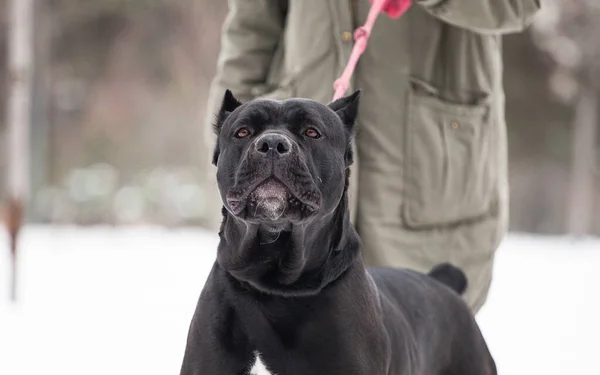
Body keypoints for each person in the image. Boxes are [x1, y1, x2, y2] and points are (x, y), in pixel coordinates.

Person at [202, 0, 540, 313]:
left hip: (431, 183)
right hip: (291, 196)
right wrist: (230, 145)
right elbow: (251, 29)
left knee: (419, 360)